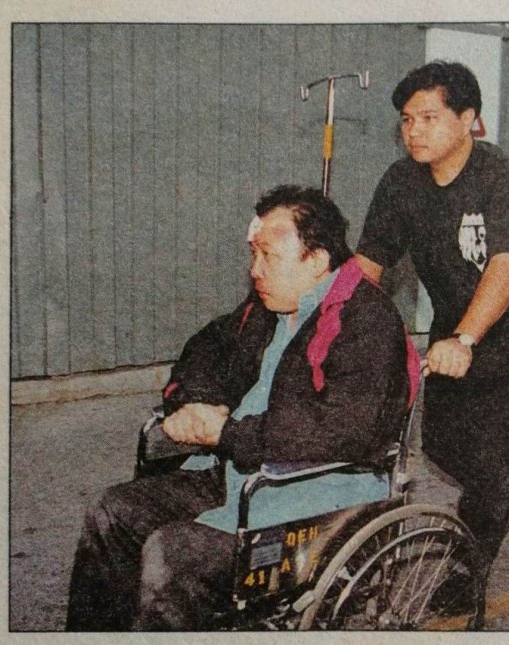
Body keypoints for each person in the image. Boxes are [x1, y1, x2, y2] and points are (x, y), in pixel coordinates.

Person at [65, 184, 419, 631]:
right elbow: (209, 347)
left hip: (320, 494)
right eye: (254, 255)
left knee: (172, 553)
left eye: (268, 256)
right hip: (243, 471)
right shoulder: (272, 303)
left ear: (316, 260)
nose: (255, 270)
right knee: (111, 512)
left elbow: (342, 428)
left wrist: (228, 433)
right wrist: (195, 403)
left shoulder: (366, 320)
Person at [355, 61, 509, 603]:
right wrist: (328, 317)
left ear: (468, 119)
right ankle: (498, 481)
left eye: (429, 117)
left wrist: (468, 339)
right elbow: (369, 263)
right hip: (455, 329)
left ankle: (469, 568)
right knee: (444, 447)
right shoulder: (401, 182)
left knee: (491, 472)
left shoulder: (503, 180)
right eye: (407, 120)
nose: (414, 131)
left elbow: (506, 266)